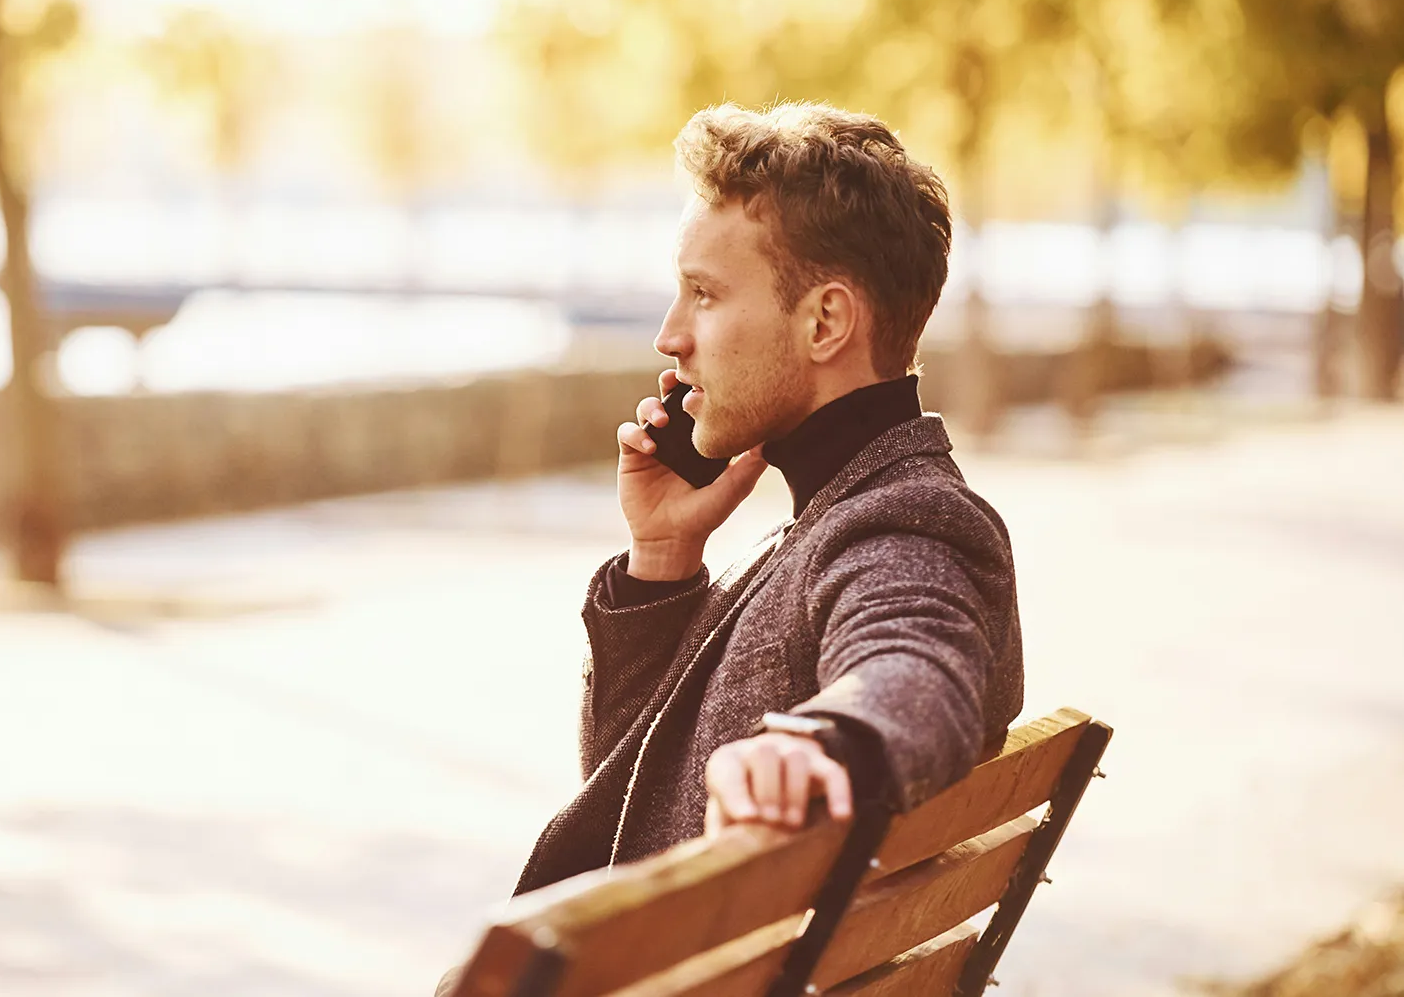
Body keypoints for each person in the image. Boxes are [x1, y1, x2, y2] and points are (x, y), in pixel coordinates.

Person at [439, 101, 1024, 992]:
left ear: (825, 322)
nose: (669, 336)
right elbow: (633, 800)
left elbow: (919, 660)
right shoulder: (840, 509)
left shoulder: (903, 523)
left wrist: (828, 743)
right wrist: (663, 557)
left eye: (705, 294)